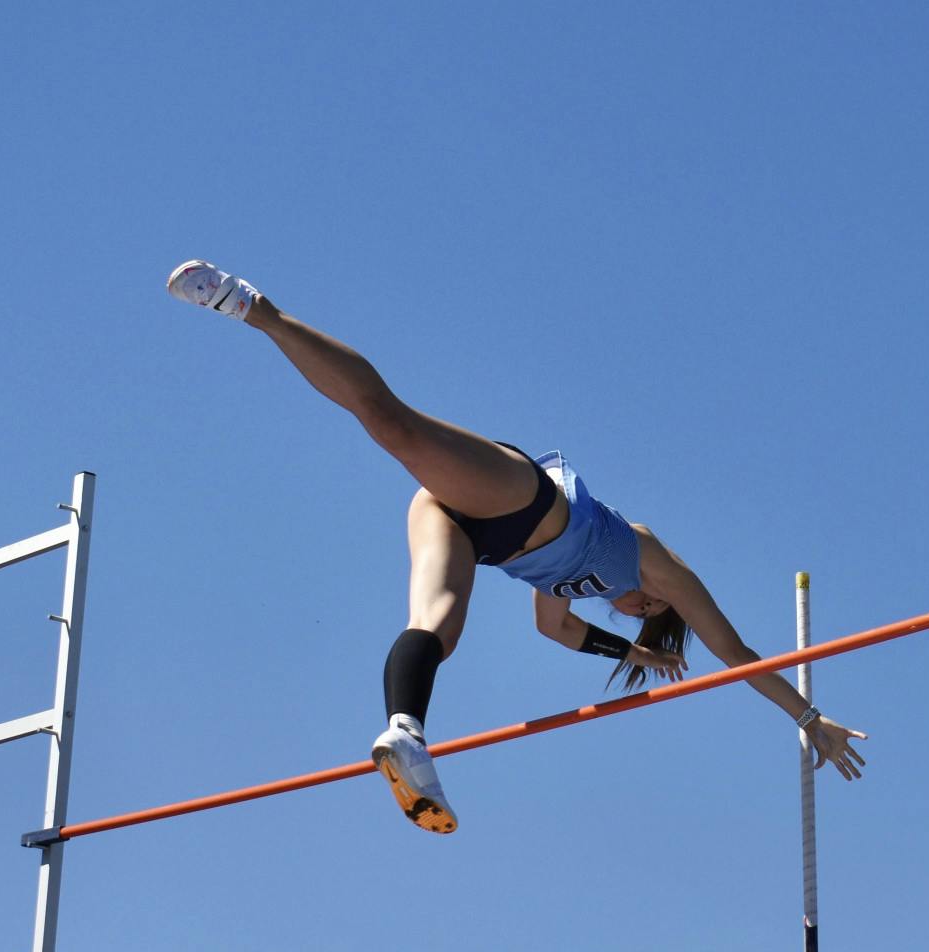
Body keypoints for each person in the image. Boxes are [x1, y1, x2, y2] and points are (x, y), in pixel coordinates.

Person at [166, 260, 868, 834]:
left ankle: (405, 732)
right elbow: (738, 654)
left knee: (436, 626)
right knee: (392, 424)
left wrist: (628, 653)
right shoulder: (653, 561)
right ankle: (254, 306)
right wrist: (808, 717)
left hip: (474, 532)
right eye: (634, 613)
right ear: (652, 597)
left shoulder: (574, 590)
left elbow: (554, 629)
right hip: (519, 495)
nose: (623, 609)